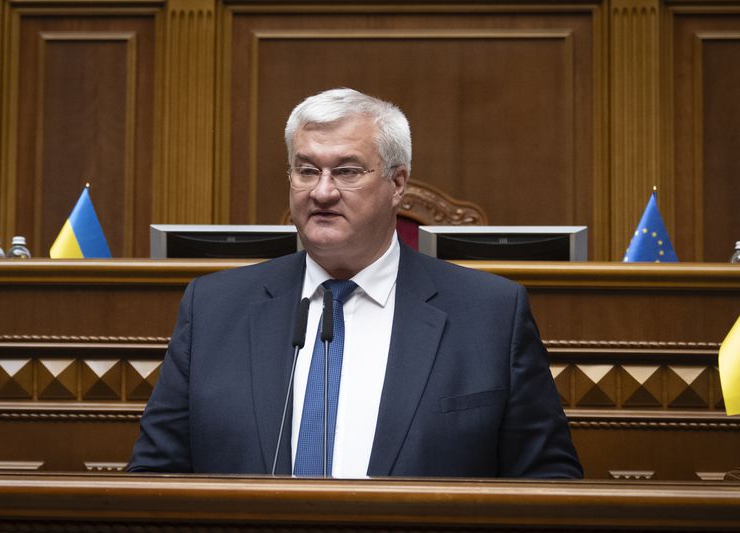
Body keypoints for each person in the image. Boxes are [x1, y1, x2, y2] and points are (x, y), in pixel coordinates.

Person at [128, 88, 582, 478]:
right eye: (307, 171)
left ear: (397, 183)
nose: (322, 192)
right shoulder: (213, 308)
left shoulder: (491, 314)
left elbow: (548, 482)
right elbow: (153, 475)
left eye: (347, 171)